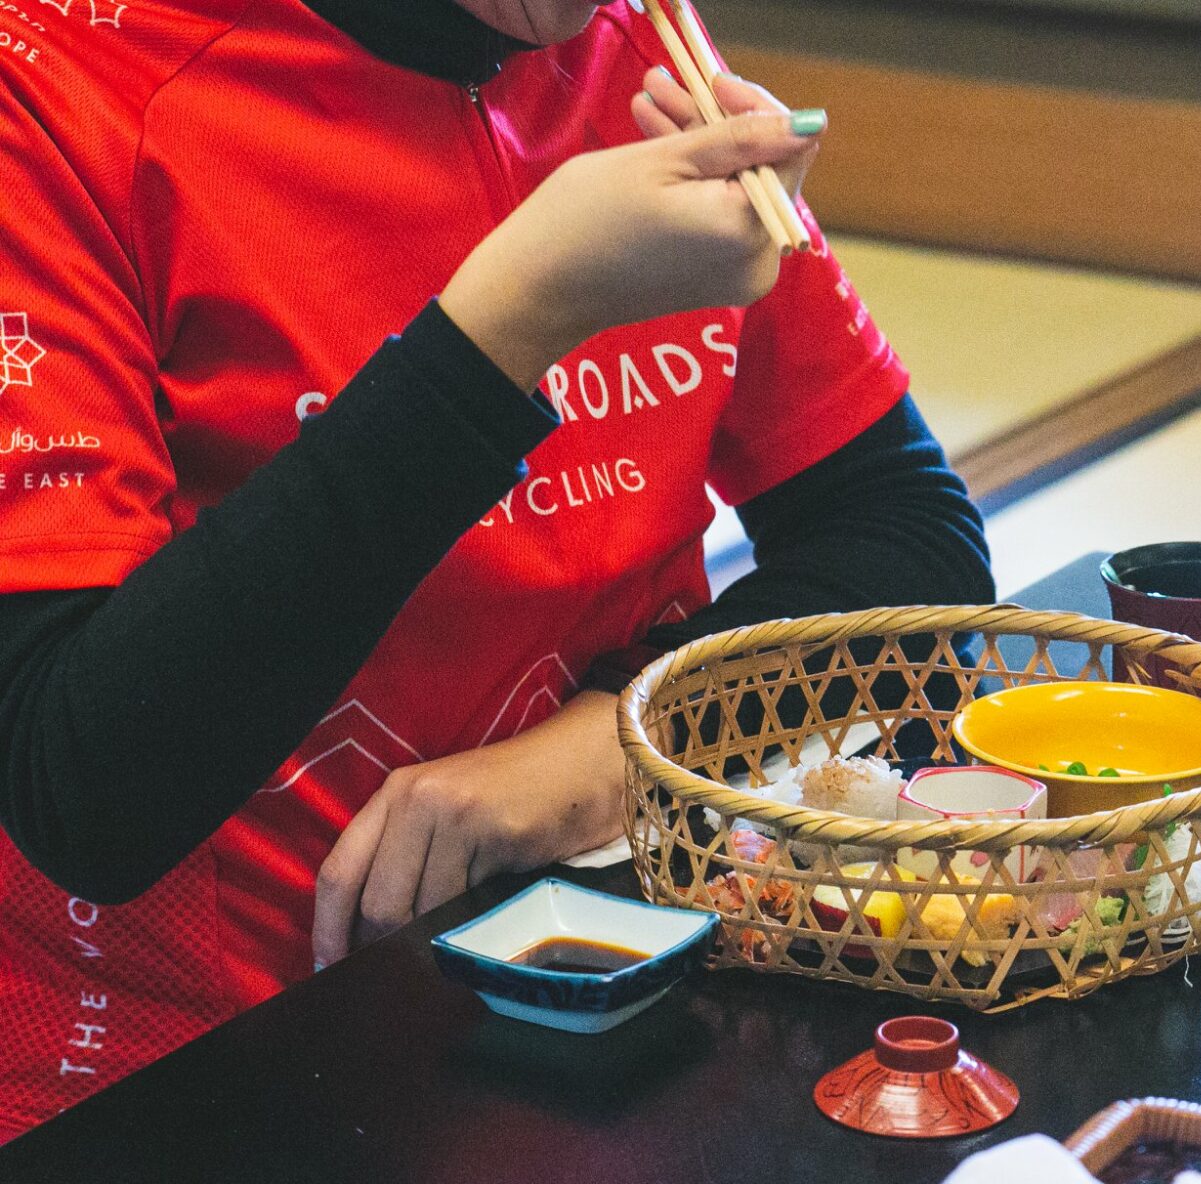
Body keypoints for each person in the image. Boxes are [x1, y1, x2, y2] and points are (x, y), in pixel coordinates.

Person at [0, 0, 992, 1140]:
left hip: (615, 982)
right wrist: (510, 319)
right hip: (209, 1062)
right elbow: (78, 785)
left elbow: (912, 546)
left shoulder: (628, 42)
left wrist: (616, 747)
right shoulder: (57, 84)